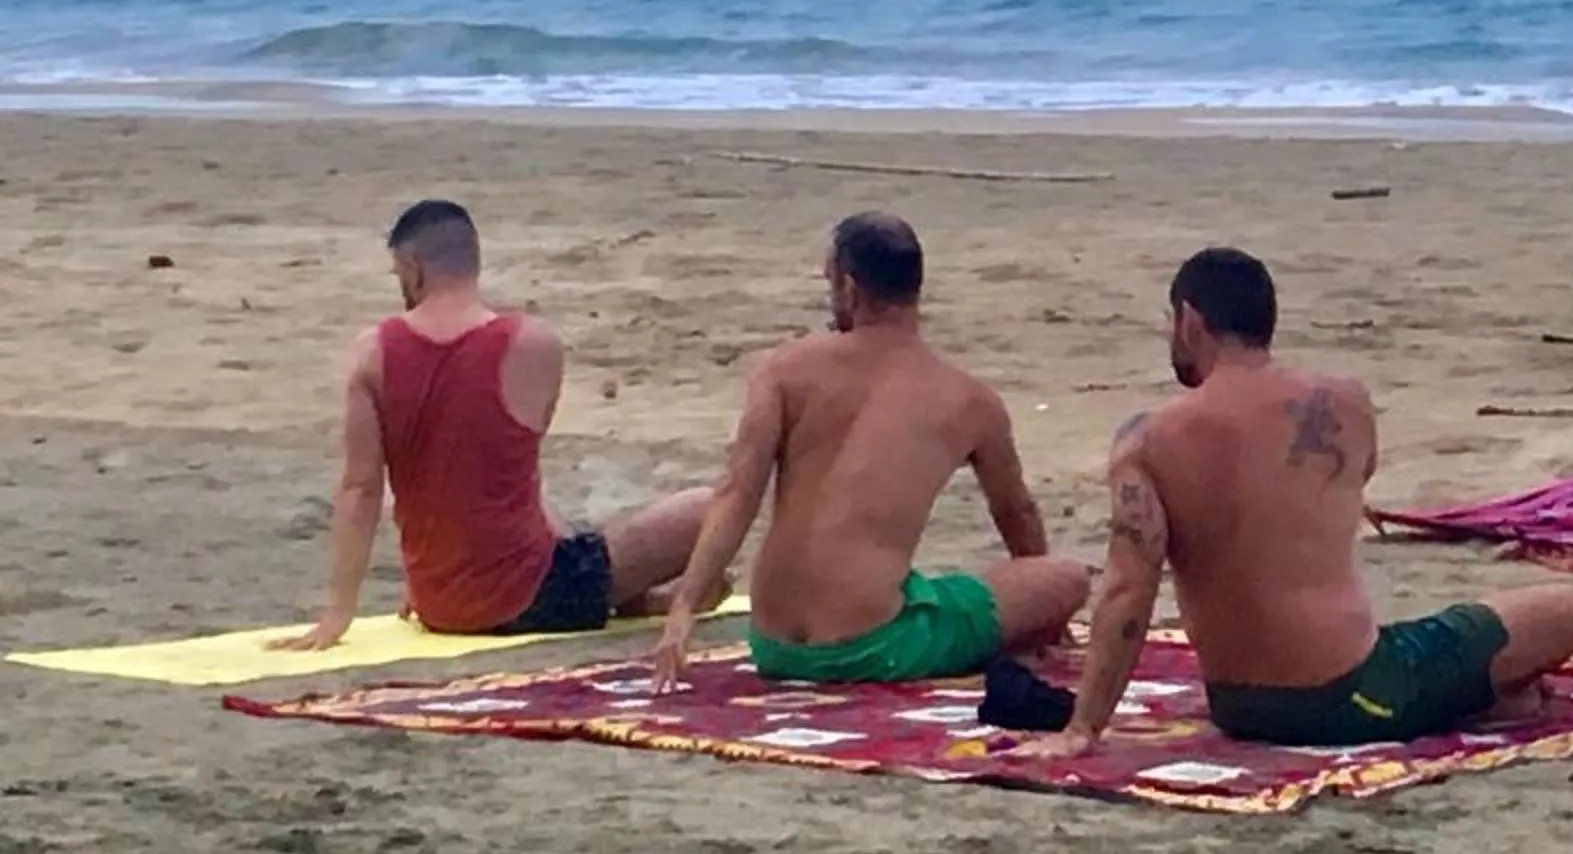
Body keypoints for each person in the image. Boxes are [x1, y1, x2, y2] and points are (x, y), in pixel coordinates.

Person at [1030, 247, 1573, 756]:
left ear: (1189, 321)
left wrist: (1084, 728)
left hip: (1240, 707)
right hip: (1349, 695)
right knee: (1568, 609)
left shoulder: (1146, 439)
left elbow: (1129, 590)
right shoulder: (1347, 403)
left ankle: (1486, 701)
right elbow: (1355, 479)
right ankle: (1487, 701)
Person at [648, 213, 1088, 694]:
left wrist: (684, 607)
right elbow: (1016, 512)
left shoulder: (783, 368)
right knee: (1067, 577)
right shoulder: (969, 399)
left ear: (849, 287)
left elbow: (738, 493)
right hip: (874, 646)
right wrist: (1044, 609)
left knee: (918, 587)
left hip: (773, 645)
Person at [276, 200, 713, 650]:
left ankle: (639, 599)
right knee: (710, 505)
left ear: (411, 268)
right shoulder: (532, 343)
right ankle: (660, 599)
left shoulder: (372, 353)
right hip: (537, 597)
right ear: (474, 262)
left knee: (541, 507)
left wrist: (338, 614)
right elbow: (510, 470)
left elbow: (360, 489)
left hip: (439, 603)